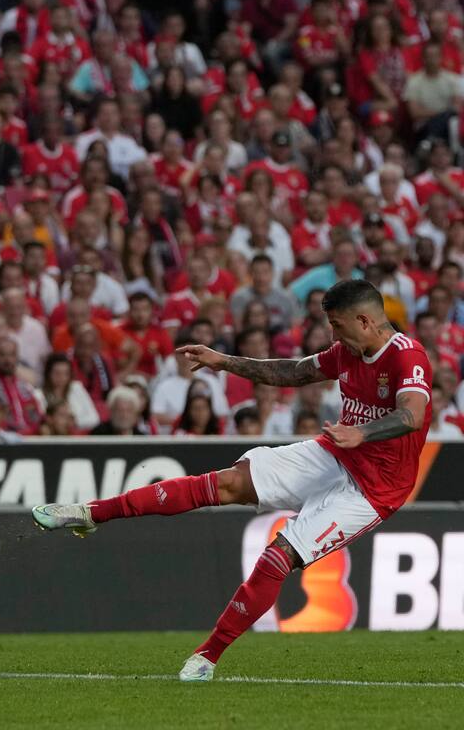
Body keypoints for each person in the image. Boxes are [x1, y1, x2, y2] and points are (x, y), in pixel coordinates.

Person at [33, 280, 432, 682]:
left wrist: (362, 433)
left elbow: (412, 414)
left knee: (279, 556)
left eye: (337, 325)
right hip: (335, 453)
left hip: (371, 489)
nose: (333, 335)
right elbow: (292, 372)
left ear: (364, 320)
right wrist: (224, 361)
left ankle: (207, 656)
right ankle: (90, 513)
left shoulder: (406, 356)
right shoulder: (347, 351)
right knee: (224, 483)